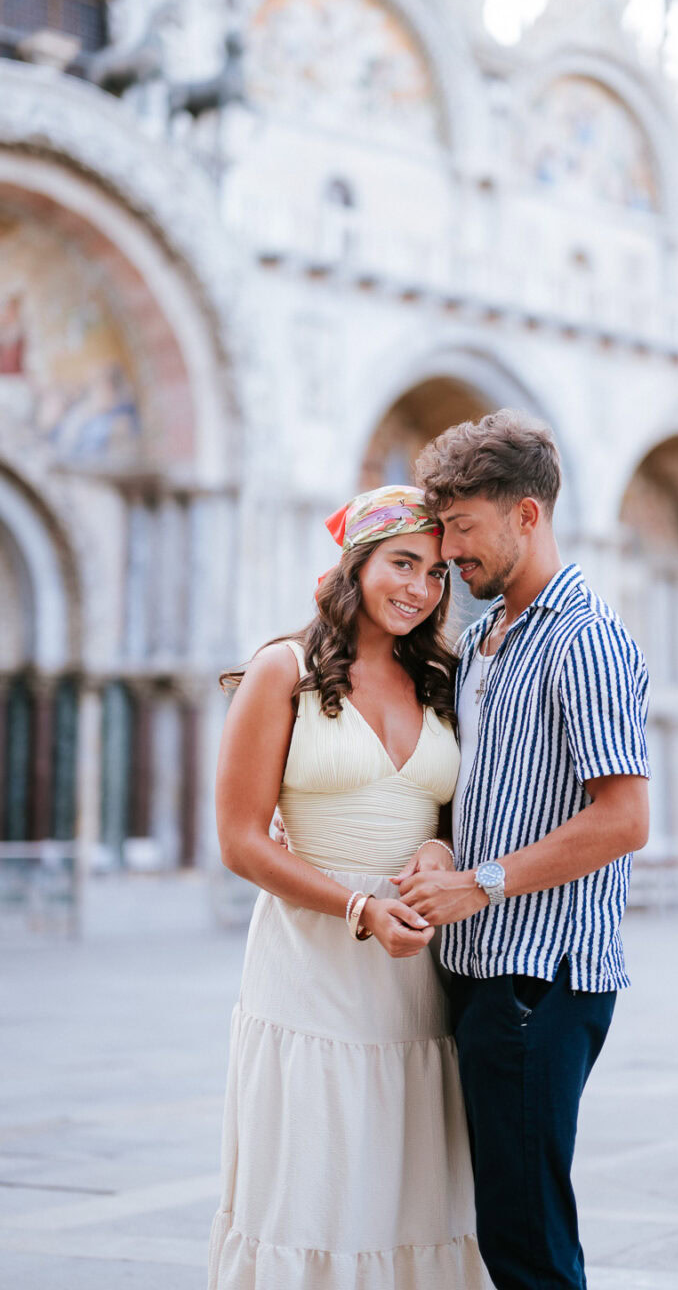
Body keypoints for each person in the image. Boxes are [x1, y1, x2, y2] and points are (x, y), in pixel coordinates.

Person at [208, 485, 491, 1290]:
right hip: (312, 962)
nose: (419, 588)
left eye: (438, 574)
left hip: (418, 972)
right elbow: (237, 839)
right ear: (356, 564)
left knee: (411, 1187)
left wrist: (437, 852)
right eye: (403, 563)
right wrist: (357, 906)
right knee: (316, 1180)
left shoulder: (442, 677)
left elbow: (446, 817)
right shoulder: (282, 670)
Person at [394, 412, 650, 1290]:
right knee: (501, 1214)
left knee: (527, 1235)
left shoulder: (585, 639)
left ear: (526, 516)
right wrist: (440, 854)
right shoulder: (482, 638)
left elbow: (623, 820)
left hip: (540, 977)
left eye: (463, 529)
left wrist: (480, 882)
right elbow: (482, 792)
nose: (450, 553)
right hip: (477, 968)